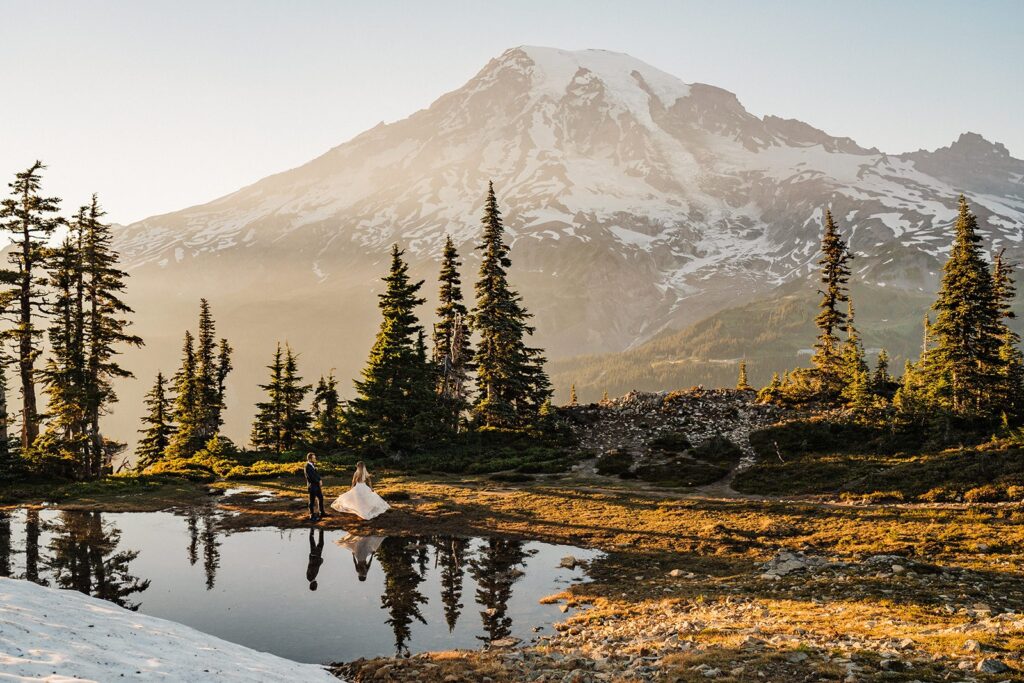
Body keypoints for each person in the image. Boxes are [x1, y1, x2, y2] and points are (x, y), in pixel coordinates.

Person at [304, 453, 327, 522]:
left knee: (320, 498)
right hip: (312, 486)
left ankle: (321, 513)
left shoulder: (312, 465)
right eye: (314, 458)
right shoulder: (307, 466)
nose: (315, 459)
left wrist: (320, 479)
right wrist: (318, 481)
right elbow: (310, 477)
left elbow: (316, 474)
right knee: (312, 501)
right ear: (310, 458)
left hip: (316, 485)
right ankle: (312, 516)